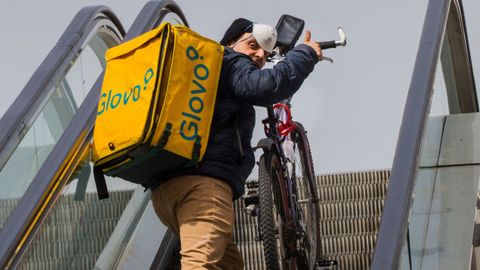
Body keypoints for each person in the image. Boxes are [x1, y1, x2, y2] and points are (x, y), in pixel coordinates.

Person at [150, 17, 322, 269]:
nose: (260, 55)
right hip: (204, 186)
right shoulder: (230, 60)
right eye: (253, 45)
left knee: (228, 265)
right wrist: (305, 54)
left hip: (166, 190)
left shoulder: (204, 73)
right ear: (231, 43)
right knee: (201, 265)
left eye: (265, 52)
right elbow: (265, 87)